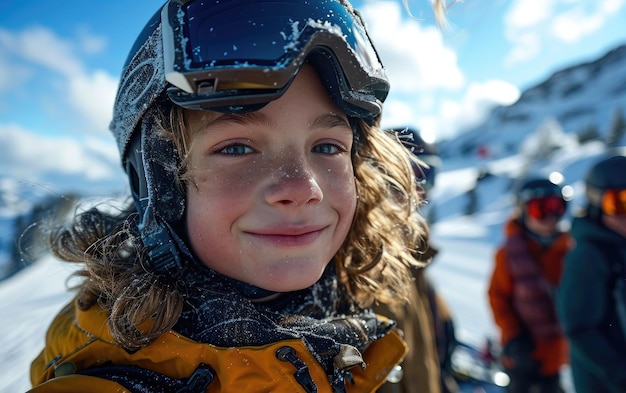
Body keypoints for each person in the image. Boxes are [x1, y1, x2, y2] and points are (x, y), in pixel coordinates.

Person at [27, 1, 443, 392]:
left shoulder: (377, 298)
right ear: (156, 184)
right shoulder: (100, 372)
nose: (304, 188)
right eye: (237, 148)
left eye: (328, 147)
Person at [377, 127, 458, 393]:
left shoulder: (412, 253)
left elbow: (425, 354)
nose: (417, 191)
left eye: (427, 176)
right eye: (407, 175)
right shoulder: (366, 261)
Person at [488, 175, 571, 393]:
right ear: (523, 211)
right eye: (539, 209)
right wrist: (514, 336)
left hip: (559, 355)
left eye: (556, 208)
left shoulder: (569, 249)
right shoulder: (508, 255)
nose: (549, 217)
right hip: (524, 355)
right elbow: (497, 297)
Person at [557, 155, 626, 393]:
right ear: (597, 203)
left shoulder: (620, 244)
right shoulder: (588, 257)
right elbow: (580, 329)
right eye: (619, 203)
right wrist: (619, 373)